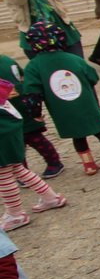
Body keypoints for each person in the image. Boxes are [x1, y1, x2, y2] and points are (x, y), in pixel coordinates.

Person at [21, 22, 100, 176]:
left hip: (62, 110)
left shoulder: (33, 66)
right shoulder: (73, 58)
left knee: (78, 137)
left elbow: (32, 92)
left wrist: (35, 113)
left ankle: (89, 164)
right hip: (86, 104)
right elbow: (92, 76)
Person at [0, 79, 67, 232]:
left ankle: (15, 214)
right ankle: (50, 197)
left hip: (2, 132)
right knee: (18, 168)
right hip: (10, 127)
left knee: (3, 175)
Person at [0, 54, 62, 179]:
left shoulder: (4, 63)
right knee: (23, 141)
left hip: (12, 109)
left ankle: (52, 162)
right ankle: (24, 172)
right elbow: (22, 77)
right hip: (21, 105)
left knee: (32, 138)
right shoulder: (7, 59)